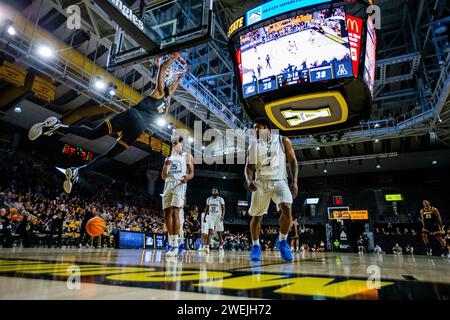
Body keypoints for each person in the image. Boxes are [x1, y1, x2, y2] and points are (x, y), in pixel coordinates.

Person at [28, 53, 187, 194]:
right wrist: (182, 74)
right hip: (138, 129)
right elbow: (173, 88)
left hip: (131, 115)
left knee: (93, 135)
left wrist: (172, 57)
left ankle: (57, 126)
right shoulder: (167, 102)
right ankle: (78, 171)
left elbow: (162, 71)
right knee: (110, 155)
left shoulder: (158, 92)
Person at [245, 118, 298, 261]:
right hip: (261, 183)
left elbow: (293, 161)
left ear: (267, 128)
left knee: (287, 208)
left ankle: (282, 241)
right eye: (254, 129)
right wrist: (249, 180)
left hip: (280, 181)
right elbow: (249, 168)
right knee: (256, 217)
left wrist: (294, 182)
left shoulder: (283, 140)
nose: (257, 131)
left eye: (259, 128)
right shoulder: (253, 146)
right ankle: (256, 246)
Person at [161, 135, 194, 258]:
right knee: (166, 214)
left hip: (179, 184)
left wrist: (187, 178)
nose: (173, 145)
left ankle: (175, 245)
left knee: (176, 212)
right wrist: (166, 165)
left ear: (181, 144)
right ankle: (171, 242)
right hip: (167, 185)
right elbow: (163, 176)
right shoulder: (168, 158)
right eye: (172, 143)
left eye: (175, 143)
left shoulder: (187, 156)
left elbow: (191, 173)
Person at [205, 188, 226, 254]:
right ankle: (207, 247)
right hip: (211, 217)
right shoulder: (208, 199)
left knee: (219, 233)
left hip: (218, 217)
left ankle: (221, 247)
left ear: (218, 192)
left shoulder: (221, 199)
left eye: (215, 190)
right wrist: (205, 216)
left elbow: (223, 209)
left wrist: (222, 216)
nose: (213, 191)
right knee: (210, 231)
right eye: (212, 190)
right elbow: (207, 208)